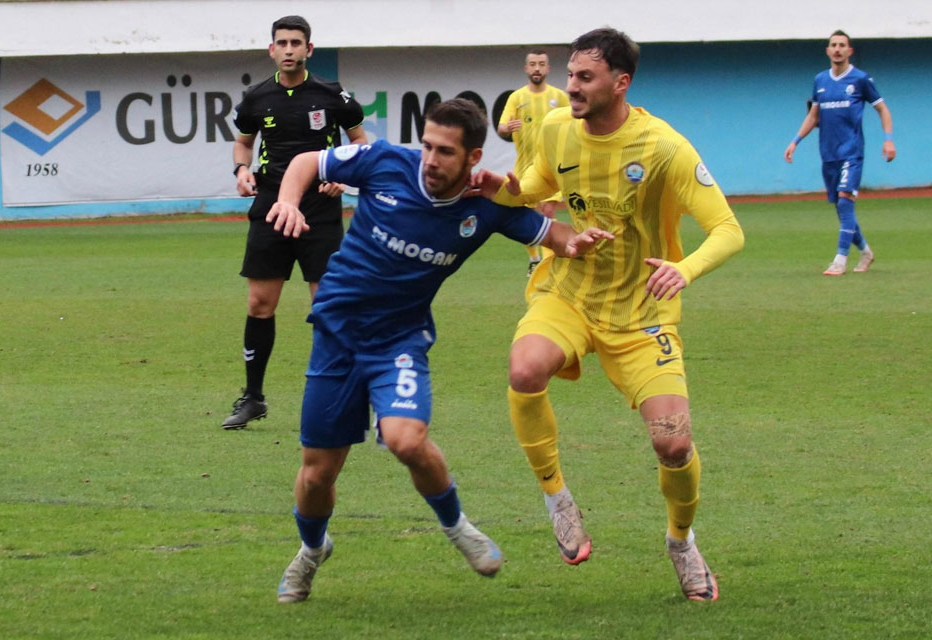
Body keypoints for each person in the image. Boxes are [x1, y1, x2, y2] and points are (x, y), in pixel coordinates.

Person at [265, 98, 612, 603]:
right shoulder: (384, 162)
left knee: (406, 440)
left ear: (472, 158)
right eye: (426, 145)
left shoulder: (485, 206)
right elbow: (305, 163)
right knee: (318, 474)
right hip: (337, 335)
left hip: (399, 341)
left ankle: (457, 527)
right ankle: (311, 551)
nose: (429, 158)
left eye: (444, 151)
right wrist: (291, 201)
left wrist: (575, 242)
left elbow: (549, 232)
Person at [482, 28, 744, 602]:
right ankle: (558, 500)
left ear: (620, 83)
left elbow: (728, 230)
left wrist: (686, 269)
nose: (570, 87)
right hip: (569, 294)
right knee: (524, 368)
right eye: (570, 75)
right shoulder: (555, 130)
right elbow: (534, 186)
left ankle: (681, 541)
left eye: (584, 78)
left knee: (673, 444)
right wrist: (504, 190)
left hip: (642, 313)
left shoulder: (664, 148)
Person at [220, 15, 369, 430]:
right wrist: (240, 171)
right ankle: (253, 397)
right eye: (281, 43)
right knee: (259, 304)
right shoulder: (256, 98)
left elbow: (360, 142)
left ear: (309, 50)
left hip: (319, 208)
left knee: (327, 307)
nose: (288, 49)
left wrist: (343, 175)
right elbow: (243, 143)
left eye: (296, 43)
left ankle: (337, 395)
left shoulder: (333, 95)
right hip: (270, 205)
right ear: (272, 50)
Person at [784, 29, 895, 276]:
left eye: (842, 45)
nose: (837, 49)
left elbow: (883, 110)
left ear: (849, 51)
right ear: (827, 50)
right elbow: (814, 115)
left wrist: (888, 140)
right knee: (841, 208)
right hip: (828, 154)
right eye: (833, 45)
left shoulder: (861, 79)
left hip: (851, 152)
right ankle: (866, 252)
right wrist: (795, 141)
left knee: (845, 201)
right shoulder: (820, 81)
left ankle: (840, 260)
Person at [497, 49, 570, 276]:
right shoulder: (517, 98)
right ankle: (534, 259)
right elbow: (501, 127)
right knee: (527, 217)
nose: (537, 68)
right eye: (532, 64)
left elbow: (576, 121)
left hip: (550, 166)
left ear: (548, 69)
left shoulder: (558, 97)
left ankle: (549, 264)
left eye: (541, 64)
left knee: (547, 212)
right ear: (526, 69)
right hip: (525, 167)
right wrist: (507, 128)